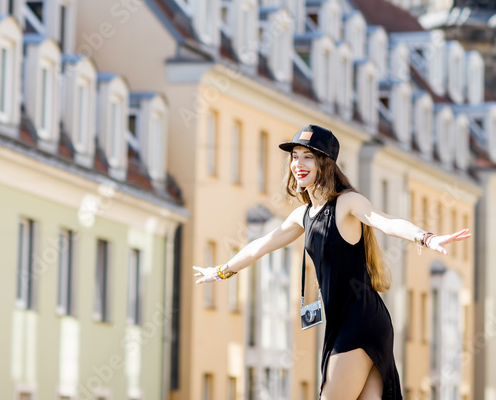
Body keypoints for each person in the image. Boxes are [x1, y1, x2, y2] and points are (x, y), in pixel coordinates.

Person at [194, 124, 471, 400]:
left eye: (308, 157)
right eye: (294, 156)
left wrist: (426, 238)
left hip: (360, 323)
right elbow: (259, 247)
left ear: (325, 163)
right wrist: (220, 271)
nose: (298, 164)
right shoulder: (303, 215)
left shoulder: (347, 203)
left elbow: (384, 221)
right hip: (348, 323)